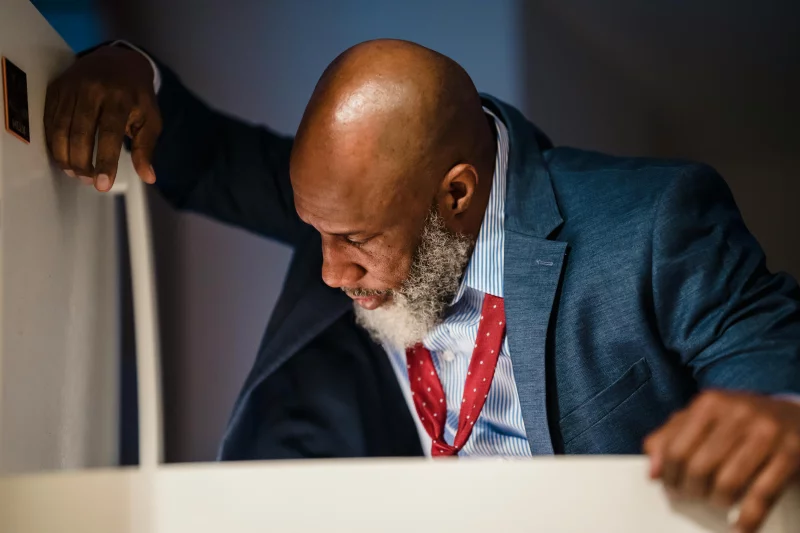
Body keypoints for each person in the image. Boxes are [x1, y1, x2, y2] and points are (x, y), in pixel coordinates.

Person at [45, 39, 800, 532]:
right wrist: (122, 68)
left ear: (458, 195)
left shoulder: (651, 222)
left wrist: (775, 405)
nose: (330, 273)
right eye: (318, 233)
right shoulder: (344, 199)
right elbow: (205, 155)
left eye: (357, 242)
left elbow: (765, 339)